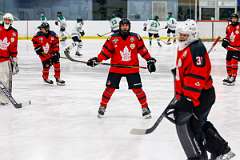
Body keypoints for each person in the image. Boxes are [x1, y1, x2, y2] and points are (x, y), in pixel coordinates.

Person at [166, 19, 235, 160]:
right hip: (196, 94)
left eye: (184, 35)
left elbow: (197, 76)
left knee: (195, 126)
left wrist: (188, 98)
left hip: (202, 95)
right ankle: (221, 150)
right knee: (198, 123)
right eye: (180, 35)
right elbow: (187, 71)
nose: (181, 38)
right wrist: (180, 92)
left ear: (192, 35)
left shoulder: (196, 48)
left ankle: (209, 153)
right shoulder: (185, 48)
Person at [86, 18, 156, 119]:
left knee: (138, 89)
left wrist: (149, 60)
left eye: (126, 25)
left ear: (129, 26)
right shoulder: (112, 38)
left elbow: (143, 50)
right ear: (120, 26)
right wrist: (97, 60)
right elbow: (105, 52)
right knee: (109, 89)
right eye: (123, 25)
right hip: (116, 68)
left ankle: (145, 108)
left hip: (132, 68)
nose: (125, 27)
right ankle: (102, 106)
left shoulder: (136, 37)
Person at [0, 13, 19, 105]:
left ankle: (3, 99)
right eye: (5, 19)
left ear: (11, 21)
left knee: (4, 80)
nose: (7, 21)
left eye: (9, 20)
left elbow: (14, 46)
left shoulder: (14, 32)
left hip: (5, 59)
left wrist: (14, 58)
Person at [222, 13, 240, 86]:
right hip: (230, 48)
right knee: (228, 61)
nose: (234, 19)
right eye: (233, 18)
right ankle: (229, 75)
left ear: (237, 19)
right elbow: (228, 36)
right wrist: (225, 41)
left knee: (233, 61)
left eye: (235, 18)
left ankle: (233, 77)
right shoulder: (228, 27)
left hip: (238, 48)